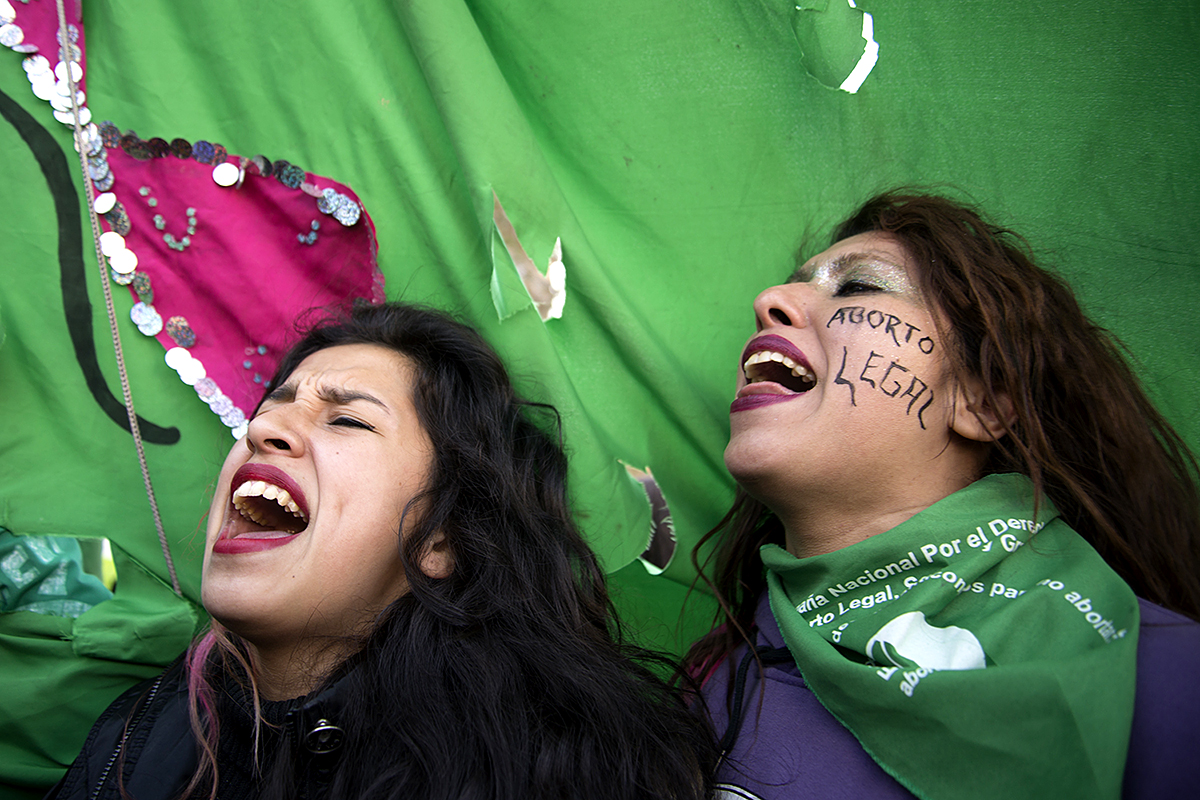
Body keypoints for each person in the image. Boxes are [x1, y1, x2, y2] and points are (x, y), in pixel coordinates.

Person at [50, 301, 716, 800]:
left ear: (439, 539)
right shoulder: (136, 737)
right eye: (273, 405)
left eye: (346, 418)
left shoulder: (556, 774)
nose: (264, 427)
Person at [686, 191, 1200, 800]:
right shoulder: (715, 673)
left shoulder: (1165, 681)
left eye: (859, 289)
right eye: (789, 286)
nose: (768, 300)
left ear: (983, 403)